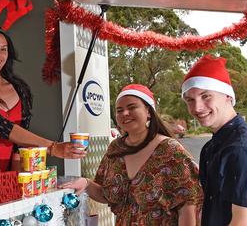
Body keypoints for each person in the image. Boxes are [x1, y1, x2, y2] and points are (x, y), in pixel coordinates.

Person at [0, 27, 85, 186]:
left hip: (8, 178)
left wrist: (18, 182)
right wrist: (53, 147)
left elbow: (21, 141)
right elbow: (2, 127)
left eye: (3, 49)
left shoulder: (20, 89)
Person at [61, 84, 203, 225]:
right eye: (119, 110)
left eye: (132, 107)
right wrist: (86, 183)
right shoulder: (115, 149)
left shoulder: (170, 150)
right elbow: (105, 194)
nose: (125, 113)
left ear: (148, 111)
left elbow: (188, 206)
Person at [181, 54, 247, 226]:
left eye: (206, 96)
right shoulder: (213, 146)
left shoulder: (242, 148)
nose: (197, 107)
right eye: (190, 100)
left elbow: (242, 223)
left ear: (228, 96)